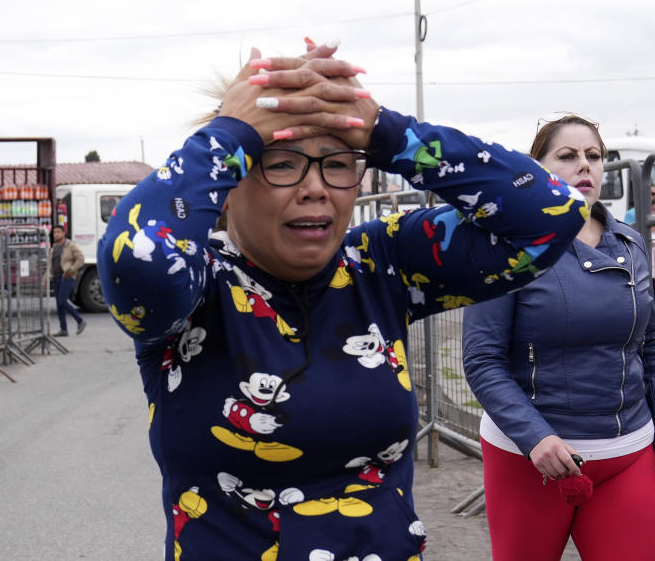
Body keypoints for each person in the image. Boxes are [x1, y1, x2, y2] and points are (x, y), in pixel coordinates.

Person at [97, 42, 589, 560]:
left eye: (337, 163)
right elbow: (137, 259)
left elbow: (552, 216)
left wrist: (386, 133)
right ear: (230, 180)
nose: (316, 188)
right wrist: (228, 133)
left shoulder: (380, 261)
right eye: (281, 164)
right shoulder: (198, 283)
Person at [461, 114, 655, 560]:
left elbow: (653, 345)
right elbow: (482, 359)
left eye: (594, 156)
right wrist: (535, 438)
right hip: (534, 460)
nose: (585, 165)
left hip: (627, 452)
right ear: (539, 169)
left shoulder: (631, 243)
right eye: (568, 156)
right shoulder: (504, 248)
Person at [49, 224, 86, 337]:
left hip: (67, 277)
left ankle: (80, 320)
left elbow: (81, 258)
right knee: (59, 304)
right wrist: (47, 277)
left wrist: (72, 269)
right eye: (54, 232)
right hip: (56, 277)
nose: (56, 234)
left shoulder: (70, 245)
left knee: (62, 301)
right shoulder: (54, 247)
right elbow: (51, 264)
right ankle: (63, 329)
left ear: (64, 233)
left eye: (58, 232)